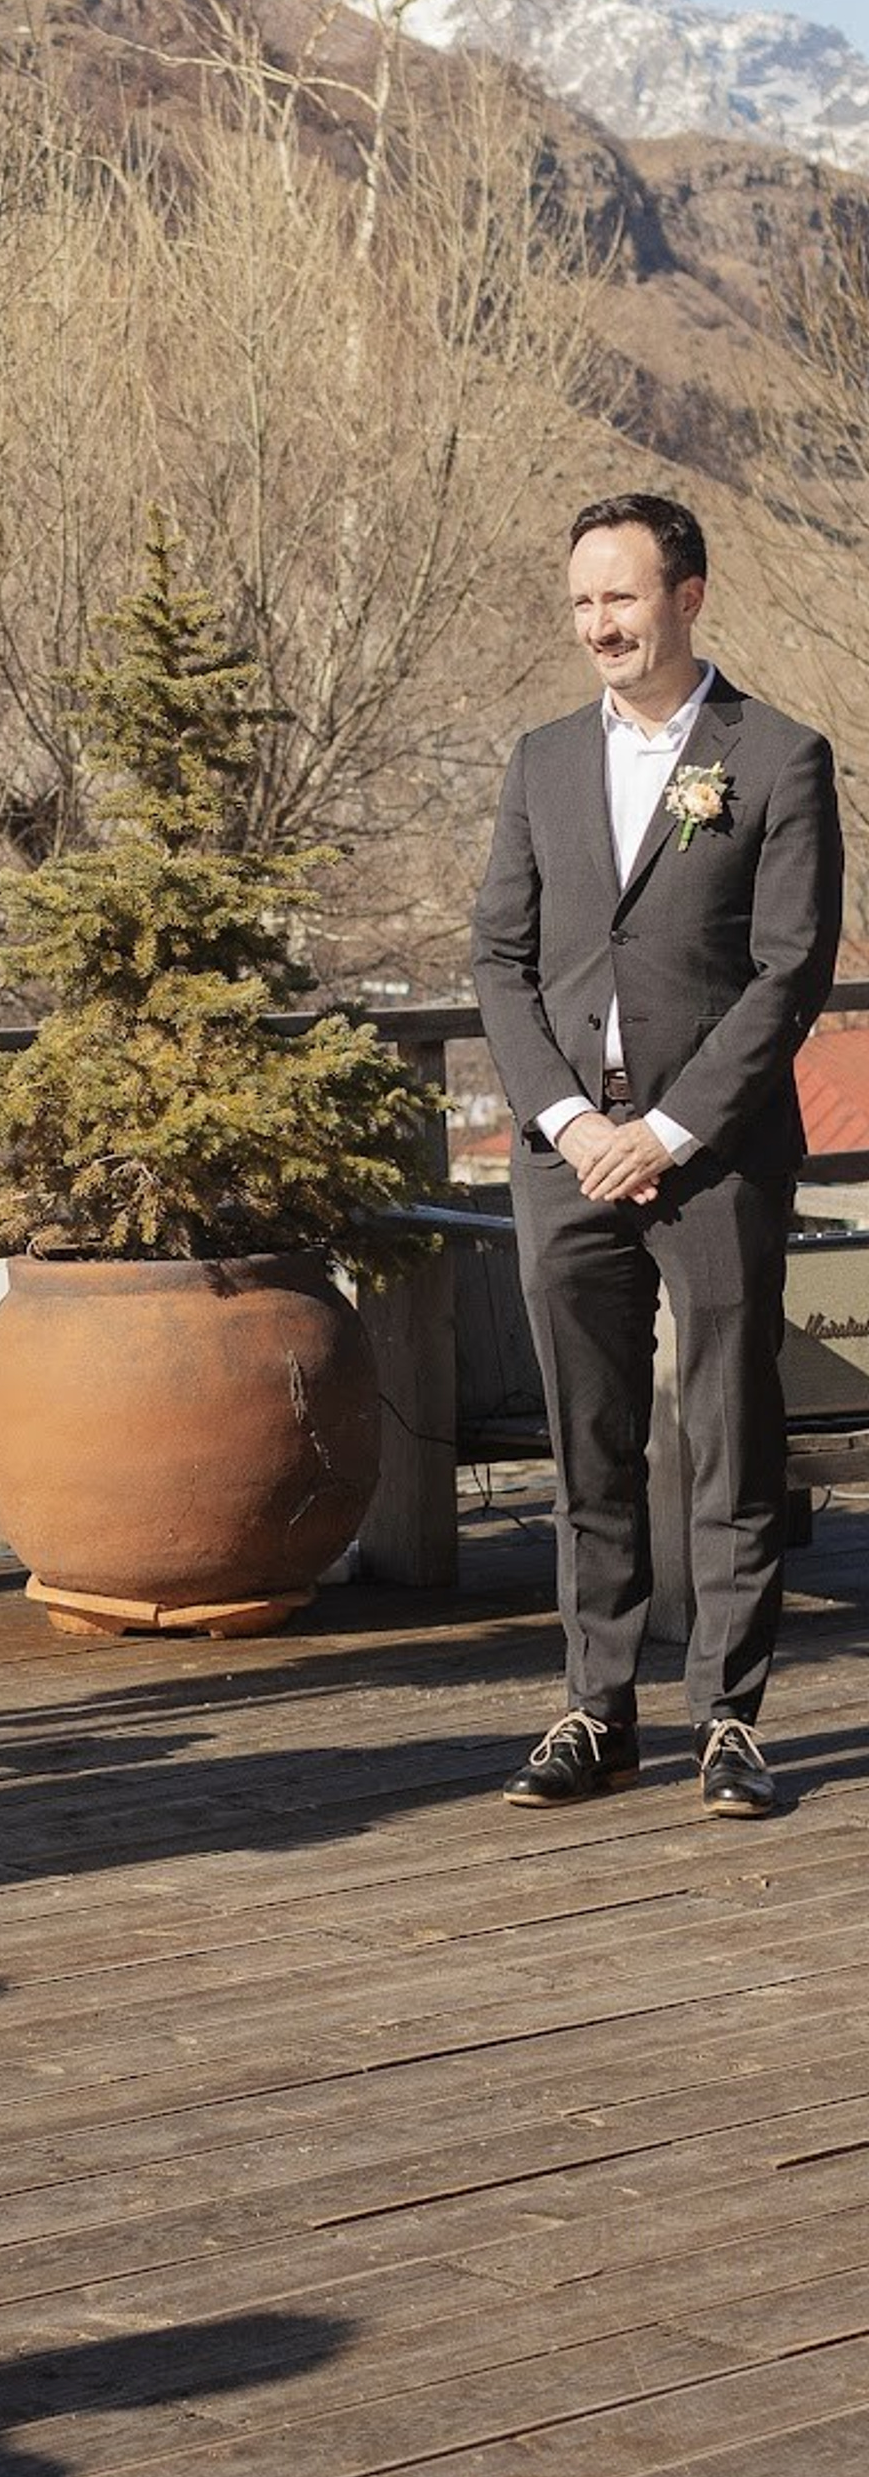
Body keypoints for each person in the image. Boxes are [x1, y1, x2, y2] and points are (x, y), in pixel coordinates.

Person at [471, 492, 842, 1818]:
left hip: (717, 1153)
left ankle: (730, 1719)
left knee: (731, 1433)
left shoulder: (780, 757)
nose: (599, 627)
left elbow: (789, 972)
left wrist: (668, 1130)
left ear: (690, 593)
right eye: (582, 604)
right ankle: (596, 1707)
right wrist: (572, 1124)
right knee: (593, 1440)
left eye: (620, 598)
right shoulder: (541, 761)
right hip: (566, 1156)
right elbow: (499, 964)